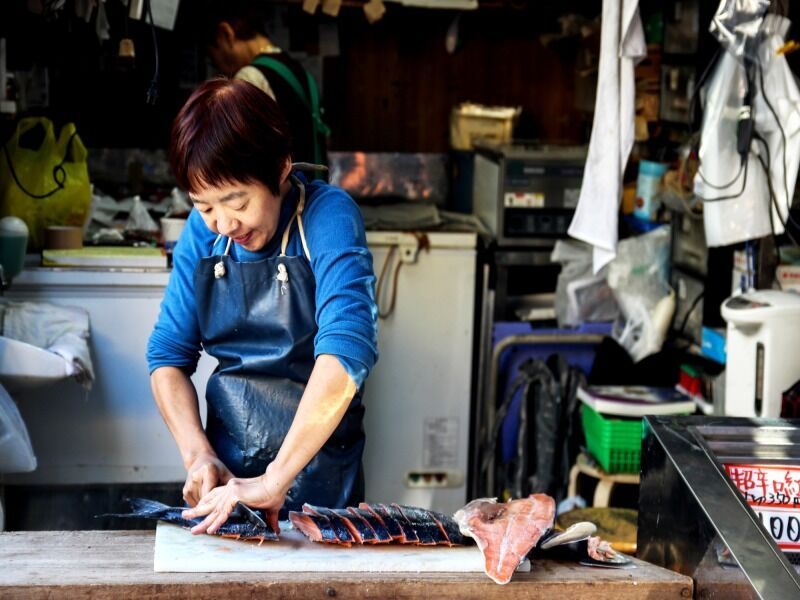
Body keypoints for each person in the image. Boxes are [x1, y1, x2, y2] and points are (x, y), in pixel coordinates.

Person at [146, 78, 378, 534]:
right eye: (205, 206)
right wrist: (198, 457)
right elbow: (167, 358)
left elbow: (347, 352)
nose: (224, 223)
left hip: (322, 488)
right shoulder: (204, 230)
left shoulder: (327, 215)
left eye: (237, 201)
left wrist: (275, 480)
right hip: (228, 491)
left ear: (280, 170)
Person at [202, 0, 329, 166]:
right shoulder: (298, 70)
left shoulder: (250, 77)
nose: (219, 66)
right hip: (309, 185)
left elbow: (241, 153)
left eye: (213, 57)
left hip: (281, 188)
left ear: (226, 34)